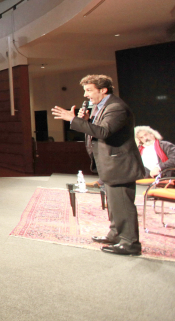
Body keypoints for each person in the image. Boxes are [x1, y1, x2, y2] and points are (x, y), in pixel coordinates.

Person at [52, 74, 145, 256]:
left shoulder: (116, 107)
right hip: (111, 164)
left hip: (120, 165)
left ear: (103, 90)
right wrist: (86, 121)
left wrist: (73, 120)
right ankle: (115, 235)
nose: (85, 95)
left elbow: (103, 132)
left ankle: (130, 243)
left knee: (123, 205)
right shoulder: (101, 107)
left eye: (89, 90)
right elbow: (97, 131)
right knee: (114, 204)